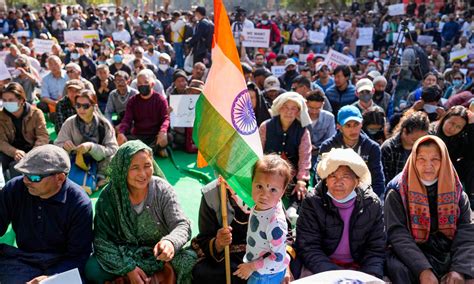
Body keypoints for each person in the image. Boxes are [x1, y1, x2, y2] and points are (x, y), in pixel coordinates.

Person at [85, 140, 195, 283]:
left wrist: (170, 242)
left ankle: (150, 278)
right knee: (92, 268)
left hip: (158, 255)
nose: (143, 174)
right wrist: (129, 269)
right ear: (123, 168)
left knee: (189, 260)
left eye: (147, 166)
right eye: (135, 167)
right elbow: (102, 240)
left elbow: (182, 224)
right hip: (124, 254)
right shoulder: (110, 196)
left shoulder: (162, 190)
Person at [385, 135, 474, 283]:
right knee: (399, 270)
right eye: (421, 159)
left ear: (444, 161)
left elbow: (467, 231)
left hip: (446, 250)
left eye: (435, 159)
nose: (428, 165)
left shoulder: (455, 190)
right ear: (413, 160)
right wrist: (423, 270)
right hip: (412, 251)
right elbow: (397, 234)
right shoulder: (397, 191)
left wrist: (458, 269)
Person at [0, 144, 93, 283]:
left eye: (35, 177)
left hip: (61, 262)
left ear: (60, 178)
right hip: (24, 259)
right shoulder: (14, 188)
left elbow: (78, 257)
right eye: (24, 174)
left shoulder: (79, 203)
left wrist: (50, 278)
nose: (26, 181)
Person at [296, 148, 385, 279]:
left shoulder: (371, 203)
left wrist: (368, 276)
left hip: (359, 268)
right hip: (321, 267)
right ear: (326, 180)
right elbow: (309, 247)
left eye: (346, 176)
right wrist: (337, 276)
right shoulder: (313, 202)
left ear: (357, 181)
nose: (338, 182)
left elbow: (376, 249)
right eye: (333, 176)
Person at [233, 155, 291, 283]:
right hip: (259, 266)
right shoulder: (263, 204)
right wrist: (232, 191)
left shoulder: (275, 223)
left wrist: (251, 267)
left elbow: (278, 257)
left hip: (266, 273)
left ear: (283, 191)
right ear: (252, 182)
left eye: (273, 190)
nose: (264, 195)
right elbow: (249, 208)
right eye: (259, 186)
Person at [259, 92, 312, 221]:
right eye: (285, 107)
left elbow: (305, 157)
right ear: (279, 108)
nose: (289, 111)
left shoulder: (303, 131)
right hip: (267, 171)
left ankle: (292, 210)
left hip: (291, 176)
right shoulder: (266, 126)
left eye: (293, 108)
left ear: (298, 112)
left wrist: (301, 180)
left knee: (301, 192)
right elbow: (258, 152)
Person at [318, 105, 385, 198]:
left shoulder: (372, 147)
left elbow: (378, 180)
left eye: (356, 124)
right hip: (333, 195)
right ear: (339, 127)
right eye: (348, 125)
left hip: (363, 197)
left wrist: (372, 201)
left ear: (361, 124)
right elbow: (320, 176)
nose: (353, 130)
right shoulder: (328, 146)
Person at [55, 89, 118, 186]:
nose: (81, 109)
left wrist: (92, 147)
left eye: (86, 106)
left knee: (114, 159)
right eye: (78, 105)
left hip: (100, 163)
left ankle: (101, 177)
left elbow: (113, 149)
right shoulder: (70, 122)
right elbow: (57, 146)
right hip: (76, 161)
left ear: (95, 107)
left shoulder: (104, 124)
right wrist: (64, 147)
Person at [0, 82, 49, 180]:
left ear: (21, 100)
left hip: (33, 149)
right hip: (12, 152)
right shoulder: (1, 116)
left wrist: (32, 154)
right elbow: (1, 141)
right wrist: (14, 152)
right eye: (4, 100)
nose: (7, 103)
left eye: (11, 100)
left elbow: (43, 136)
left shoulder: (36, 113)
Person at [117, 70, 170, 158]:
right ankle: (154, 150)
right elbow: (127, 119)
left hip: (155, 134)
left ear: (152, 84)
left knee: (169, 137)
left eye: (146, 82)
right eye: (139, 83)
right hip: (138, 135)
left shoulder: (160, 100)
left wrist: (163, 131)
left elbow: (165, 118)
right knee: (124, 139)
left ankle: (144, 151)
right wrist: (121, 132)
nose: (142, 85)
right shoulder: (133, 101)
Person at [432, 105, 474, 208]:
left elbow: (471, 153)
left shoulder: (458, 139)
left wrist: (471, 126)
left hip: (447, 172)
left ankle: (471, 196)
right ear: (446, 118)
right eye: (451, 123)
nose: (453, 129)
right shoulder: (431, 132)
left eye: (458, 127)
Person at [382, 111, 430, 184]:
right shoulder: (389, 148)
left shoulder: (423, 148)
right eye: (414, 139)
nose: (417, 143)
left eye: (420, 140)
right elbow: (384, 179)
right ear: (404, 131)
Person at [306, 91, 336, 168]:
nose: (314, 111)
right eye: (311, 108)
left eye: (317, 108)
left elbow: (331, 138)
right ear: (306, 104)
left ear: (323, 105)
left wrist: (317, 147)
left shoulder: (329, 117)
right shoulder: (300, 117)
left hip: (322, 153)